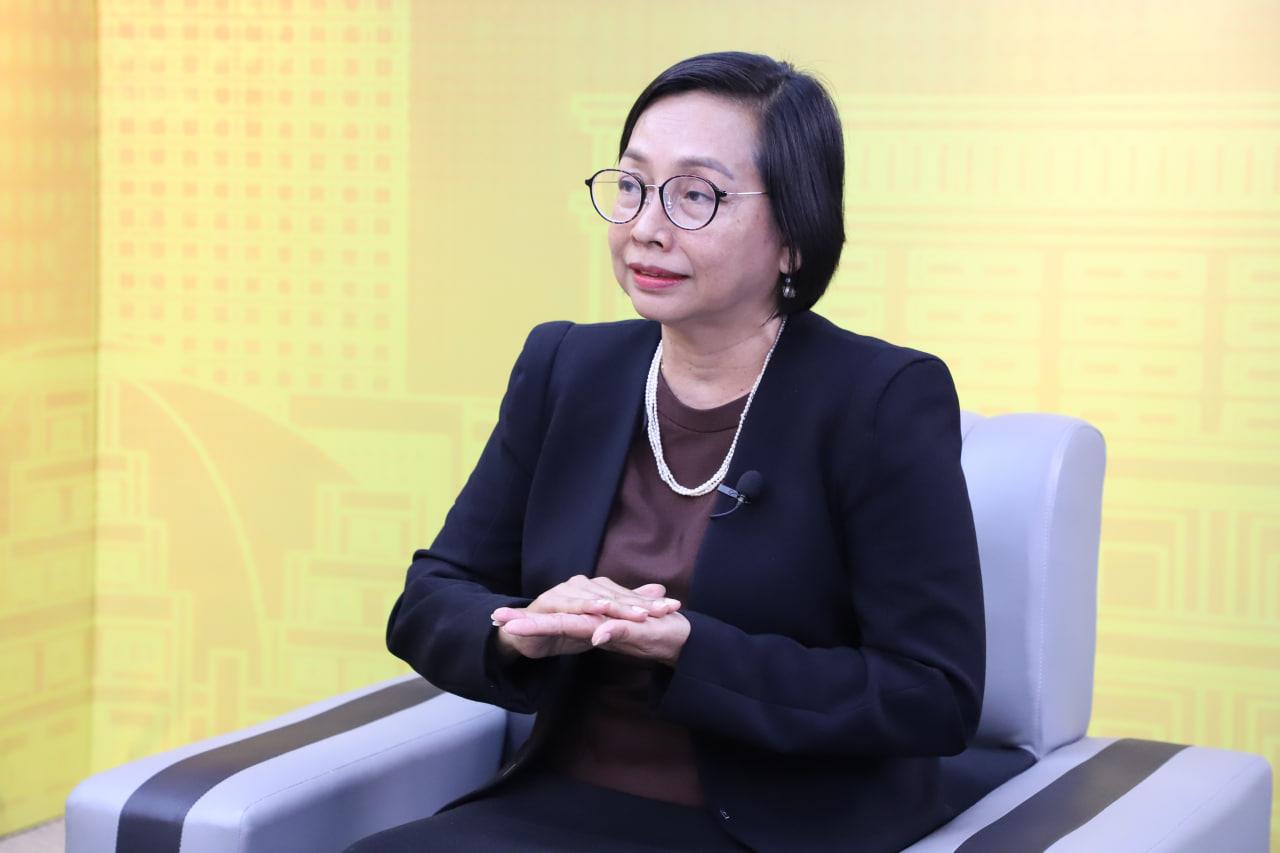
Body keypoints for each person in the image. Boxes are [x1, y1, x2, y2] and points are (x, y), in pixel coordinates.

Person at [345, 51, 987, 853]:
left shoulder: (880, 398)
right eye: (632, 185)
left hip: (775, 828)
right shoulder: (566, 367)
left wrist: (693, 650)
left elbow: (933, 694)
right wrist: (520, 629)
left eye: (695, 195)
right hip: (554, 800)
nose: (645, 227)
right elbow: (430, 597)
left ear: (794, 236)